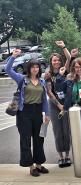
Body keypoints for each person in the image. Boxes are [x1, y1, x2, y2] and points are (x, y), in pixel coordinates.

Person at [5, 49, 50, 177]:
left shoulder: (41, 82)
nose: (35, 69)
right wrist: (13, 56)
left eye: (37, 67)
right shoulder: (22, 79)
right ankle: (31, 167)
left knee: (39, 138)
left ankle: (39, 164)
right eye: (33, 67)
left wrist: (46, 114)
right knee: (25, 140)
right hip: (24, 112)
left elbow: (44, 100)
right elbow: (8, 70)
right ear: (28, 68)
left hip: (37, 112)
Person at [45, 41, 72, 168]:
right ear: (51, 62)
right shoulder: (48, 74)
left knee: (67, 130)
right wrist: (59, 105)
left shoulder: (64, 70)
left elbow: (69, 57)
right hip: (54, 105)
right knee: (57, 130)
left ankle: (67, 155)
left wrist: (63, 47)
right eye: (54, 60)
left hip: (65, 104)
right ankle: (60, 156)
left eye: (58, 60)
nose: (56, 62)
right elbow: (49, 92)